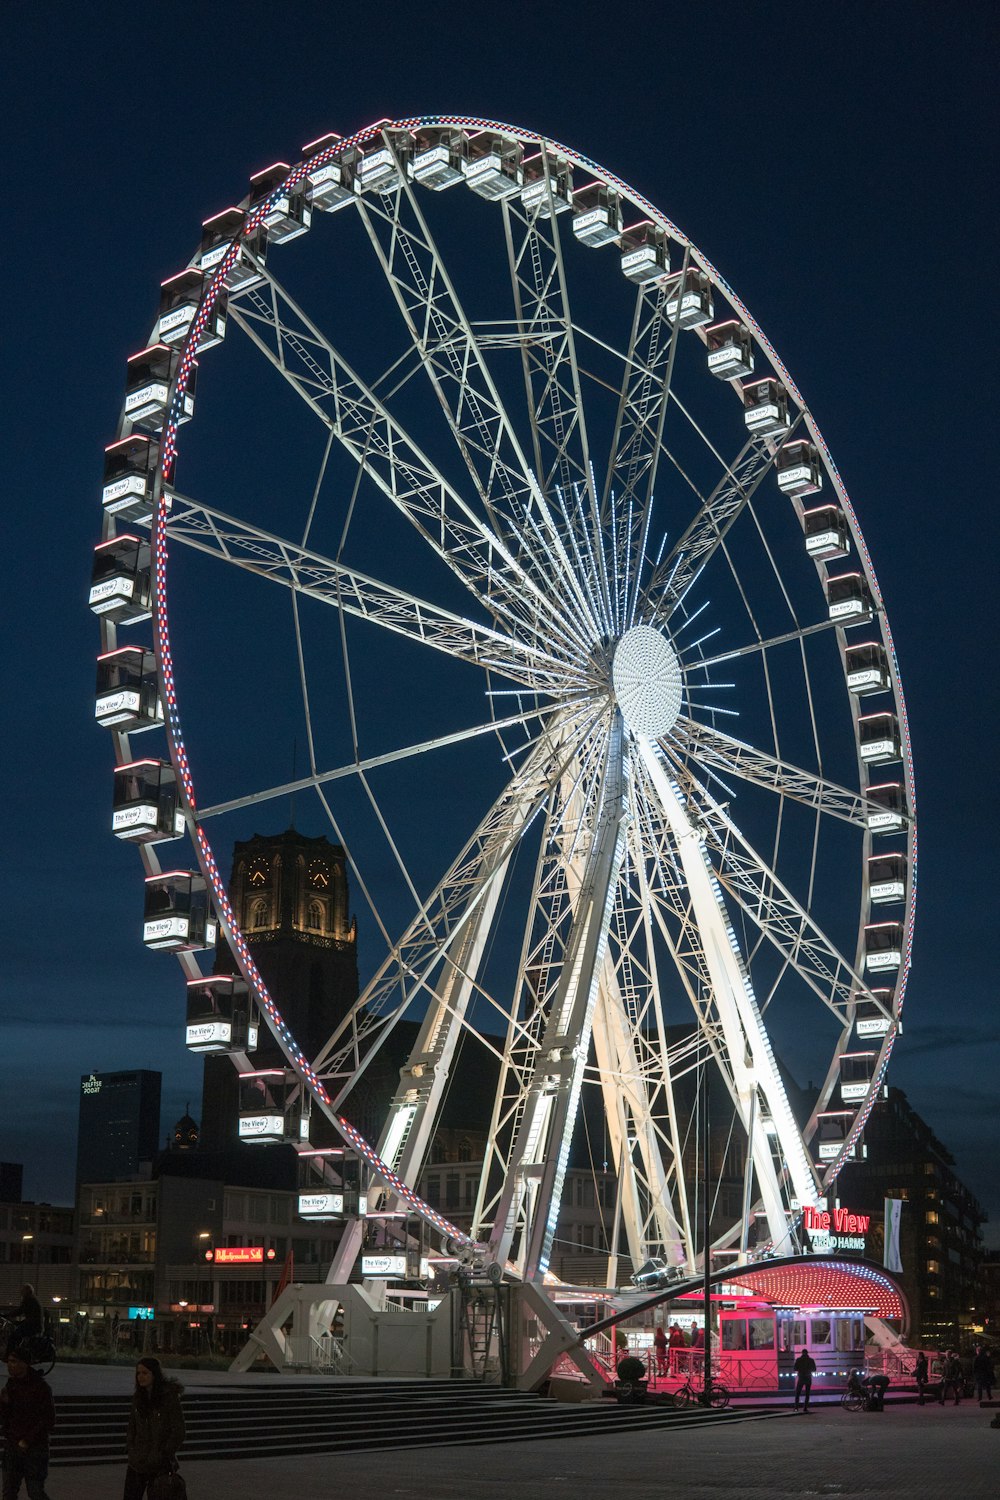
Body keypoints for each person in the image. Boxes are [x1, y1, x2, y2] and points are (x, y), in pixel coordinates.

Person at [123, 1357, 184, 1500]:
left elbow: (179, 1430)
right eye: (138, 1373)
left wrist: (164, 1453)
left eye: (145, 1373)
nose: (140, 1377)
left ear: (155, 1374)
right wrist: (131, 1448)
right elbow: (132, 1426)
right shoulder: (138, 1398)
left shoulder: (169, 1397)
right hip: (137, 1462)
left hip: (159, 1463)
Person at [0, 1344, 55, 1500]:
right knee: (9, 1492)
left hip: (35, 1449)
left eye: (14, 1361)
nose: (10, 1365)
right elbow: (6, 1418)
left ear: (24, 1364)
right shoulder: (11, 1385)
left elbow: (48, 1419)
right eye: (9, 1361)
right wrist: (4, 1403)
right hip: (13, 1445)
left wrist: (27, 1440)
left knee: (35, 1491)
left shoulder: (41, 1387)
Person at [793, 1346, 817, 1413]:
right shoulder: (811, 1360)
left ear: (802, 1353)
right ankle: (805, 1408)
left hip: (801, 1377)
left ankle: (796, 1408)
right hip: (808, 1377)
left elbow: (795, 1368)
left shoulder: (798, 1360)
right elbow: (814, 1369)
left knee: (798, 1393)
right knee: (807, 1394)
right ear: (807, 1353)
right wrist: (808, 1370)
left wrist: (800, 1369)